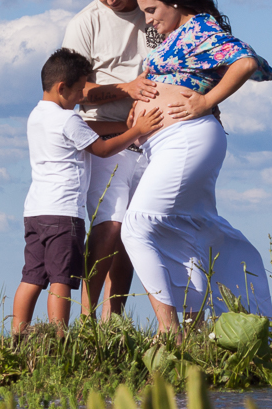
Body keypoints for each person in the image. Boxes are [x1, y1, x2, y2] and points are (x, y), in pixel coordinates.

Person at [120, 0, 272, 338]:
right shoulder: (175, 34)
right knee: (183, 232)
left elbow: (246, 62)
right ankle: (195, 330)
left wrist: (206, 100)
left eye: (153, 9)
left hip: (188, 137)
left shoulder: (200, 29)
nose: (149, 19)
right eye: (144, 12)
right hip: (167, 143)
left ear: (174, 2)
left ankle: (169, 331)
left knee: (137, 225)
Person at [12, 48, 163, 336]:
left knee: (32, 275)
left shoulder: (36, 116)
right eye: (80, 89)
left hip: (35, 211)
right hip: (63, 212)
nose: (83, 96)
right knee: (61, 277)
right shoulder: (67, 120)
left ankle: (17, 334)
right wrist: (137, 130)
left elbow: (87, 129)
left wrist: (122, 125)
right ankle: (59, 337)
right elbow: (103, 149)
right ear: (62, 88)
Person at [61, 0, 161, 321]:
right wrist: (126, 89)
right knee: (111, 225)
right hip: (105, 136)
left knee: (135, 229)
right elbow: (72, 91)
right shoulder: (84, 23)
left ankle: (113, 319)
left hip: (151, 137)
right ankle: (86, 320)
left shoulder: (155, 11)